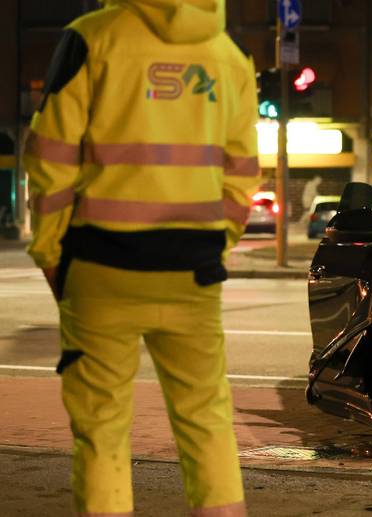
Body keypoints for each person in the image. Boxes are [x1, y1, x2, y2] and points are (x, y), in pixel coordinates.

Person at [24, 1, 261, 515]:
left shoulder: (92, 38)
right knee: (206, 420)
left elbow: (50, 161)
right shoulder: (231, 54)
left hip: (99, 266)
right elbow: (241, 172)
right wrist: (212, 243)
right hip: (192, 271)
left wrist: (49, 252)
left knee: (102, 428)